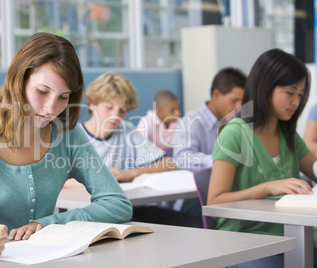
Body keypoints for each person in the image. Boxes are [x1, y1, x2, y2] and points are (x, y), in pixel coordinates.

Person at [0, 33, 132, 260]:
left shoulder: (68, 134)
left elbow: (117, 203)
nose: (50, 108)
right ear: (20, 80)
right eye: (42, 92)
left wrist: (50, 224)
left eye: (63, 97)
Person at [208, 48, 317, 267]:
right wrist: (268, 187)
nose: (296, 101)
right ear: (266, 87)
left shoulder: (287, 134)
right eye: (290, 92)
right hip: (244, 242)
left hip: (290, 237)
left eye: (301, 94)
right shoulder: (235, 133)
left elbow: (313, 168)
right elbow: (215, 201)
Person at [73, 72, 199, 227]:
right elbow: (60, 179)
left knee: (189, 222)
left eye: (122, 110)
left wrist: (129, 174)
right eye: (109, 107)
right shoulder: (74, 136)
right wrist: (102, 180)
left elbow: (169, 164)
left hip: (131, 209)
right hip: (93, 212)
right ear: (92, 103)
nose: (115, 116)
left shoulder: (127, 131)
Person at [172, 67, 246, 215]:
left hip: (227, 192)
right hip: (193, 197)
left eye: (242, 101)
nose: (239, 107)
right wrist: (221, 163)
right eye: (234, 100)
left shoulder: (237, 124)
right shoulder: (191, 121)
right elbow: (182, 158)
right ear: (216, 94)